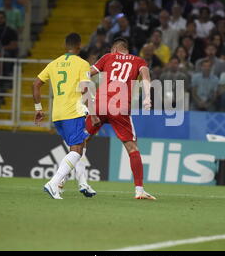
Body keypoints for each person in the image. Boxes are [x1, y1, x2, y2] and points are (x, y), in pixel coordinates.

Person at [85, 37, 156, 200]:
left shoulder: (107, 57)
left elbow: (87, 73)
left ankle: (60, 181)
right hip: (120, 108)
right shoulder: (138, 60)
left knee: (80, 142)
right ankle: (139, 190)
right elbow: (146, 77)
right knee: (132, 148)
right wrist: (147, 98)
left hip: (100, 105)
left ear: (114, 49)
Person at [33, 33, 96, 200]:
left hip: (57, 114)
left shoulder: (53, 64)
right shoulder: (83, 64)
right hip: (73, 111)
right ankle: (54, 183)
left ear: (64, 45)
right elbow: (85, 88)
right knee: (76, 151)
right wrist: (93, 110)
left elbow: (36, 84)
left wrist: (38, 108)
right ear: (79, 46)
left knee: (78, 147)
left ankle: (82, 183)